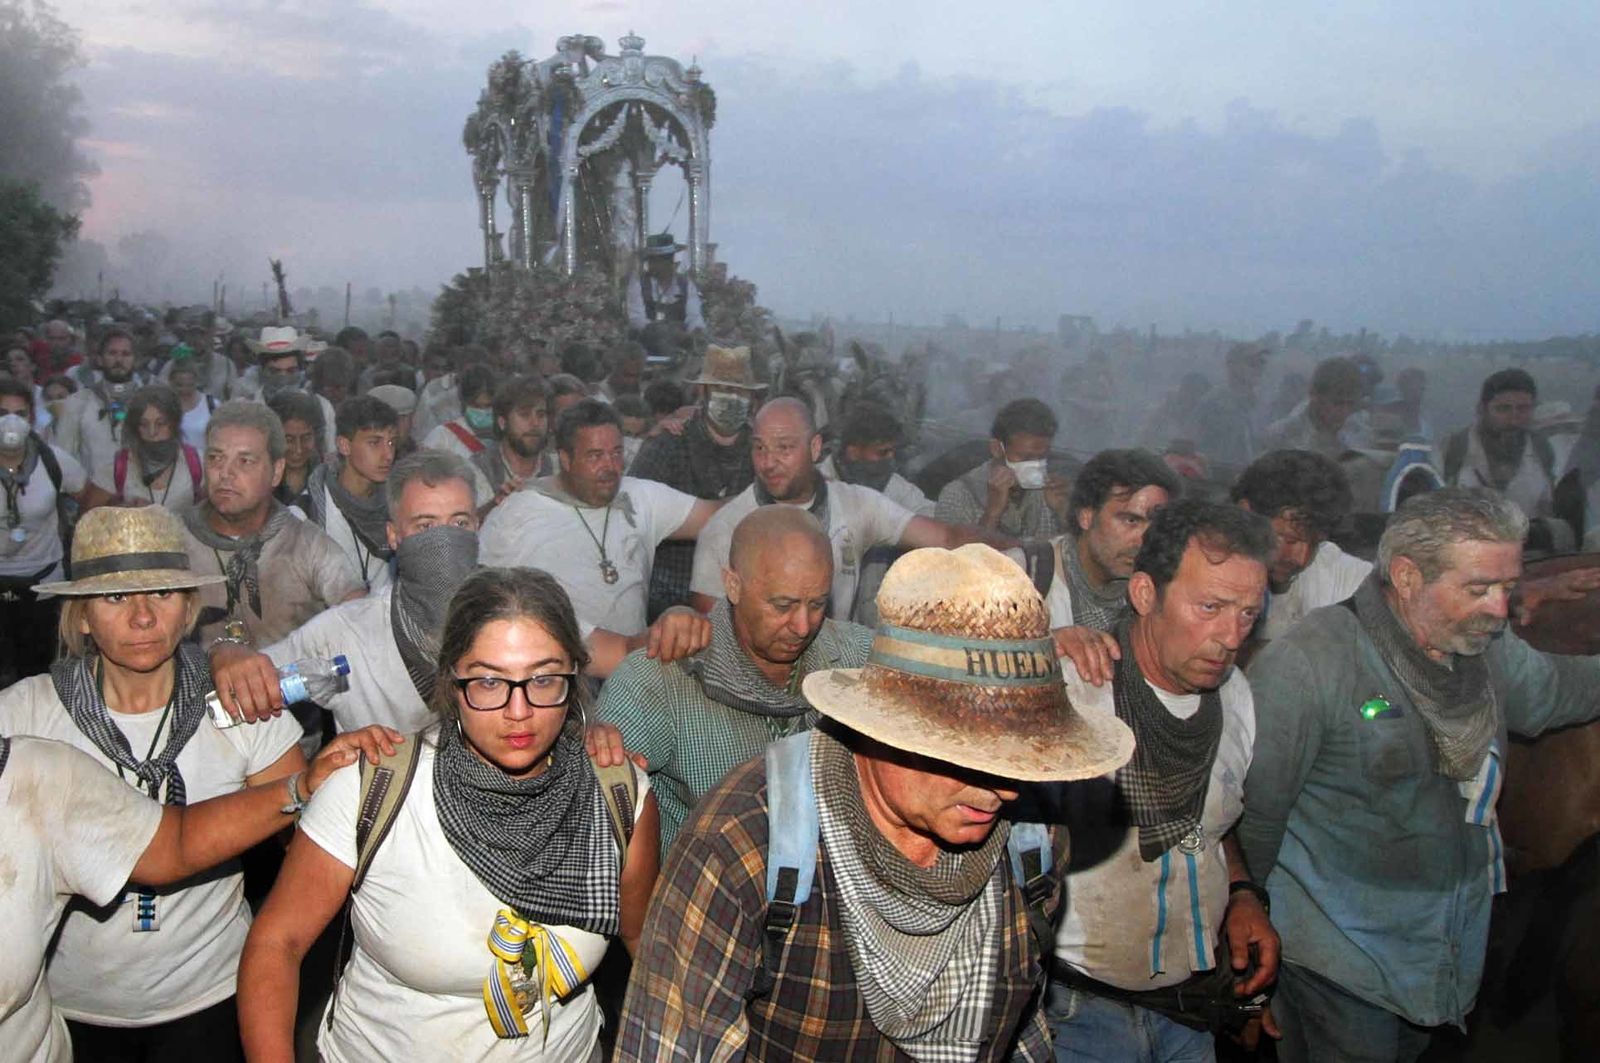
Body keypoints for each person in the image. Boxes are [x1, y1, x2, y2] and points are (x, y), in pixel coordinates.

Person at [616, 543, 1135, 1059]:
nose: (1000, 790)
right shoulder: (745, 842)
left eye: (1017, 760)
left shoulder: (1033, 838)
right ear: (883, 728)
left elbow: (1024, 1028)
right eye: (967, 757)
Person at [238, 567, 661, 1061]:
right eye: (487, 682)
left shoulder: (617, 797)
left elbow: (645, 945)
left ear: (575, 673)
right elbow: (277, 943)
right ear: (451, 680)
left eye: (544, 679)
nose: (519, 710)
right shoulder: (373, 788)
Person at [1239, 488, 1600, 1062]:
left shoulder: (1483, 647)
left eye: (1507, 588)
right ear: (1406, 576)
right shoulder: (1310, 664)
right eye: (1478, 589)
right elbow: (1254, 817)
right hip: (1339, 959)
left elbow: (1553, 693)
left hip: (1441, 955)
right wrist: (1250, 947)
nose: (1500, 610)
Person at [0, 505, 311, 1058]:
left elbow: (312, 847)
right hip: (72, 1009)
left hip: (213, 996)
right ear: (83, 616)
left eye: (162, 594)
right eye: (116, 597)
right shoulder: (24, 715)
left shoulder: (240, 705)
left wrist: (275, 951)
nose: (143, 617)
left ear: (189, 607)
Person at [209, 450, 713, 734]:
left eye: (458, 522)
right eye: (426, 525)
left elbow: (619, 652)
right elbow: (242, 689)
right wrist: (225, 652)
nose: (444, 540)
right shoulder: (345, 633)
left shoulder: (519, 614)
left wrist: (672, 625)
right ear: (394, 537)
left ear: (477, 527)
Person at [0, 723, 393, 1063]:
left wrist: (300, 786)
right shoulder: (23, 708)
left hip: (200, 1000)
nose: (144, 628)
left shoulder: (31, 772)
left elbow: (175, 841)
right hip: (83, 1008)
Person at [1044, 499, 1280, 1062]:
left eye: (1248, 613)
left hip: (1189, 1012)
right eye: (1210, 606)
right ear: (1145, 593)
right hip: (1075, 1010)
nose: (1231, 635)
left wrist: (1242, 894)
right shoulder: (1075, 692)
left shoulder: (1236, 698)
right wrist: (1031, 648)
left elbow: (1205, 826)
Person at [600, 507, 872, 854]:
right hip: (702, 898)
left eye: (817, 604)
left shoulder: (860, 661)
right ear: (732, 585)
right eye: (782, 605)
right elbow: (597, 816)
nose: (802, 626)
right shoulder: (660, 679)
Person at [692, 397, 1017, 621]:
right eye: (759, 448)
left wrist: (1025, 552)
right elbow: (712, 630)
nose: (768, 462)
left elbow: (947, 537)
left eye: (784, 448)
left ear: (815, 447)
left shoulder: (856, 505)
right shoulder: (724, 530)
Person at [482, 399, 722, 637]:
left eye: (616, 453)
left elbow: (720, 517)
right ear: (565, 459)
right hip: (560, 666)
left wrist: (759, 478)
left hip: (631, 667)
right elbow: (488, 601)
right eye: (595, 456)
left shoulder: (639, 495)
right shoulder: (519, 513)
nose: (610, 466)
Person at [179, 401, 364, 649]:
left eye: (245, 461)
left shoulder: (308, 545)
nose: (225, 473)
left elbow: (361, 624)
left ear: (276, 472)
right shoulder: (173, 540)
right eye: (215, 458)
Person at [630, 345, 763, 617]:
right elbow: (630, 523)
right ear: (703, 392)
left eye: (740, 392)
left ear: (752, 398)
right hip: (666, 605)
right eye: (723, 390)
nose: (732, 399)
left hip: (742, 604)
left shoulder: (763, 452)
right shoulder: (665, 448)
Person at [1042, 449, 1180, 683]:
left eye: (1155, 525)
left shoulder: (1163, 590)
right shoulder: (1021, 576)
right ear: (1086, 516)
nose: (1144, 539)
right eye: (1131, 520)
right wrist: (1042, 646)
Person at [1230, 449, 1369, 643]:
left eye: (1316, 543)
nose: (1301, 558)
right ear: (1245, 515)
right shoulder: (1201, 571)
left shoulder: (1352, 581)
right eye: (1289, 540)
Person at [0, 378, 87, 684]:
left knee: (38, 678)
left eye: (20, 413)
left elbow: (88, 495)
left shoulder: (54, 462)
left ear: (32, 418)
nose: (10, 421)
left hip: (43, 587)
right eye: (2, 412)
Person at [304, 396, 398, 593]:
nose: (388, 454)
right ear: (344, 446)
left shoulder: (399, 505)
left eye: (391, 442)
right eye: (374, 443)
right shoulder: (307, 512)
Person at [936, 397, 1065, 539]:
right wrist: (993, 513)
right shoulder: (958, 496)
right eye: (1025, 458)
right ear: (997, 449)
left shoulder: (1047, 494)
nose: (1036, 465)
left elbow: (1069, 554)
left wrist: (1063, 512)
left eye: (1042, 457)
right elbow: (954, 558)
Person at [1441, 368, 1556, 520]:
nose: (1514, 419)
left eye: (1523, 409)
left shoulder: (1542, 450)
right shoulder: (1455, 448)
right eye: (1503, 409)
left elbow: (1549, 508)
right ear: (1482, 409)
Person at [83, 385, 203, 512]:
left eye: (160, 423)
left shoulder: (197, 464)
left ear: (174, 423)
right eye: (143, 424)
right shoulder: (115, 470)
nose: (152, 432)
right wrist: (123, 511)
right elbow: (88, 521)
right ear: (135, 427)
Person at [53, 327, 146, 475]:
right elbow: (63, 456)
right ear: (99, 359)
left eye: (126, 354)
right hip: (92, 493)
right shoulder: (78, 403)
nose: (119, 360)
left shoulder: (151, 403)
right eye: (112, 353)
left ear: (136, 360)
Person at [819, 399, 934, 516]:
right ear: (853, 452)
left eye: (892, 451)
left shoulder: (891, 482)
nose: (891, 457)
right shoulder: (816, 485)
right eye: (883, 452)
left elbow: (925, 510)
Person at [471, 374, 554, 514]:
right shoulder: (478, 469)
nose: (535, 423)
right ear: (502, 422)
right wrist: (495, 506)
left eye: (541, 415)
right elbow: (465, 528)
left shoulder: (559, 468)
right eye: (525, 415)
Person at [1259, 356, 1365, 462]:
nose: (1345, 412)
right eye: (1337, 403)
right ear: (1314, 395)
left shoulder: (1360, 432)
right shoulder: (1281, 438)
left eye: (1351, 404)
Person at [625, 232, 705, 334]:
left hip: (682, 344)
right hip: (648, 344)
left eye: (657, 261)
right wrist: (663, 331)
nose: (652, 265)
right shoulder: (638, 284)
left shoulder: (685, 284)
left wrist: (695, 330)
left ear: (670, 261)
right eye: (650, 261)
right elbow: (636, 319)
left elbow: (694, 316)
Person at [421, 363, 499, 460]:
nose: (482, 411)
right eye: (476, 406)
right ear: (463, 402)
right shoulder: (443, 436)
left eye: (488, 406)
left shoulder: (506, 436)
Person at [266, 389, 324, 514]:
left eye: (306, 438)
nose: (298, 449)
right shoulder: (261, 480)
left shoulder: (327, 479)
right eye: (289, 439)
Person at [166, 355, 218, 449]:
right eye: (179, 385)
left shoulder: (212, 405)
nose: (185, 390)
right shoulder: (163, 406)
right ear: (171, 382)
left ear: (197, 381)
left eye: (190, 385)